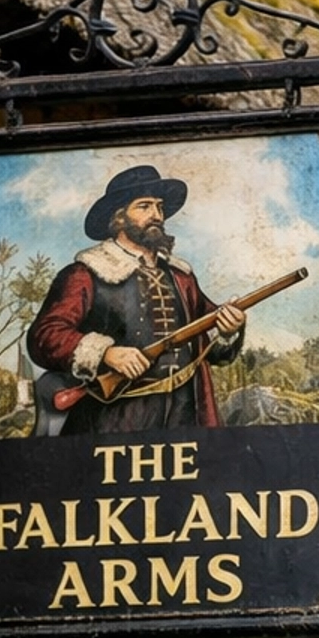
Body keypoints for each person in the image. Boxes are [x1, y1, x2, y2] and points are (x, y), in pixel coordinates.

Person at [25, 163, 247, 435]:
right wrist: (105, 353)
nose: (156, 215)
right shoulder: (85, 273)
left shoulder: (181, 277)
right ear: (119, 218)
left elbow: (210, 344)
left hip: (184, 414)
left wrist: (228, 330)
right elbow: (44, 336)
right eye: (144, 206)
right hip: (114, 416)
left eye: (159, 207)